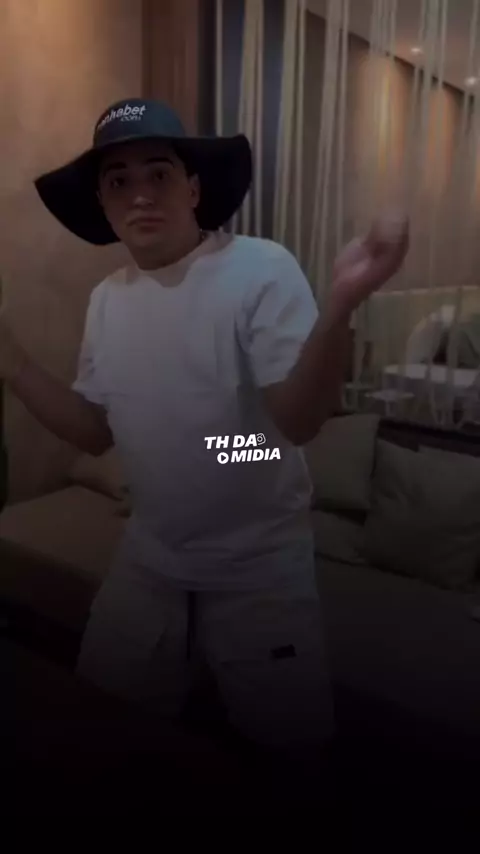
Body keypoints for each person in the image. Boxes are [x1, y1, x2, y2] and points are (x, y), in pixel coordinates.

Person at [0, 98, 408, 797]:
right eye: (118, 181)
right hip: (148, 562)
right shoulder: (108, 300)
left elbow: (295, 426)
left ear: (193, 188)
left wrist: (340, 306)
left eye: (158, 173)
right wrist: (12, 364)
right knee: (99, 735)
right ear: (102, 204)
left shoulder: (259, 269)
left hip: (258, 568)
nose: (140, 194)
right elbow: (96, 430)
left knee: (289, 763)